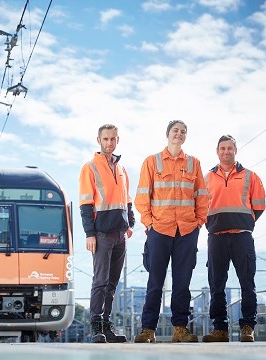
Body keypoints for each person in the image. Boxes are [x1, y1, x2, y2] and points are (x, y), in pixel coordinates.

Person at [134, 120, 208, 343]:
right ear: (167, 134)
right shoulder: (152, 162)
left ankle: (180, 329)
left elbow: (202, 196)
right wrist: (149, 224)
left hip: (186, 230)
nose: (179, 134)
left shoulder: (194, 163)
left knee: (182, 283)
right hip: (160, 229)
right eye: (175, 131)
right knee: (155, 282)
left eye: (183, 132)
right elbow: (142, 197)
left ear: (186, 137)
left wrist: (199, 222)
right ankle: (148, 330)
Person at [202, 135, 266, 343]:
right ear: (217, 151)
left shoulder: (250, 176)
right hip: (217, 238)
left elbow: (259, 205)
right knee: (216, 285)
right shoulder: (207, 178)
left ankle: (248, 327)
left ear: (235, 150)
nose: (226, 152)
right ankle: (220, 329)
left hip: (242, 238)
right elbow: (201, 207)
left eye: (230, 148)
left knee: (247, 282)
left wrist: (244, 221)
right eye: (222, 148)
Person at [79, 124, 135, 343]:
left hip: (120, 233)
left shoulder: (122, 169)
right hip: (101, 233)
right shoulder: (90, 168)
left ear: (117, 140)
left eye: (113, 139)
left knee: (112, 284)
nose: (109, 142)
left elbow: (127, 199)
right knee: (100, 281)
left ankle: (107, 327)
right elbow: (86, 203)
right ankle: (96, 328)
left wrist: (129, 223)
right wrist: (89, 234)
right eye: (105, 139)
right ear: (98, 140)